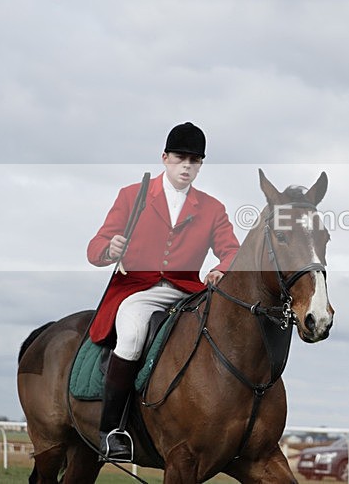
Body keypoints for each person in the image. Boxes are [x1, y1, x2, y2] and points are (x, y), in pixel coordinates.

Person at [87, 122, 240, 461]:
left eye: (195, 160)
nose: (187, 166)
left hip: (188, 291)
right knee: (131, 334)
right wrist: (111, 249)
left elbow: (232, 251)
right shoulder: (132, 195)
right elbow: (94, 246)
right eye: (181, 157)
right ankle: (111, 431)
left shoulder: (212, 208)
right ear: (165, 158)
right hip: (138, 290)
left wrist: (220, 268)